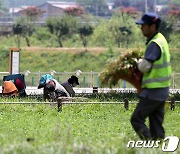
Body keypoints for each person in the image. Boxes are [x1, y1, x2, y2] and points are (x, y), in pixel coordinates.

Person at [130, 12, 172, 140]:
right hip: (162, 90)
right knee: (156, 126)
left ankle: (148, 144)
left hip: (153, 92)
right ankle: (157, 146)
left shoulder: (154, 44)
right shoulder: (161, 39)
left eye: (144, 25)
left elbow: (145, 67)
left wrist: (137, 62)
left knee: (136, 118)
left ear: (153, 26)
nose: (141, 28)